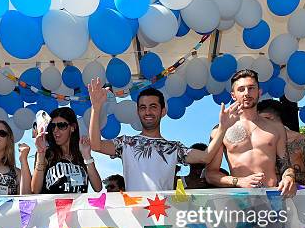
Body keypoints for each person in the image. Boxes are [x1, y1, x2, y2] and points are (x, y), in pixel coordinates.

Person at [88, 78, 240, 191]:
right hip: (134, 218)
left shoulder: (174, 148)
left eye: (153, 106)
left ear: (163, 111)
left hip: (163, 218)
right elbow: (96, 145)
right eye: (143, 107)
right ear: (138, 112)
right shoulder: (126, 143)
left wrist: (223, 128)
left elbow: (205, 157)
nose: (147, 112)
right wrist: (96, 107)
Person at [205, 69, 297, 197]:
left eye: (251, 88)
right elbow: (210, 175)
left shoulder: (276, 128)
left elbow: (285, 166)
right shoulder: (221, 130)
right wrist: (239, 181)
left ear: (259, 92)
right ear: (233, 95)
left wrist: (289, 177)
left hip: (272, 198)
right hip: (240, 201)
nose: (247, 93)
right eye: (241, 89)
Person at [32, 107, 102, 194]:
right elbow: (35, 190)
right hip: (52, 207)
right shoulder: (46, 153)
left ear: (72, 127)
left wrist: (87, 156)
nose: (55, 130)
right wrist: (40, 153)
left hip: (78, 207)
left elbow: (98, 188)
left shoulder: (81, 154)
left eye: (61, 125)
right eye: (53, 126)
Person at [257, 99, 305, 185]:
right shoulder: (258, 144)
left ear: (269, 118)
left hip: (300, 197)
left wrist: (289, 176)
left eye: (259, 121)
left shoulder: (301, 140)